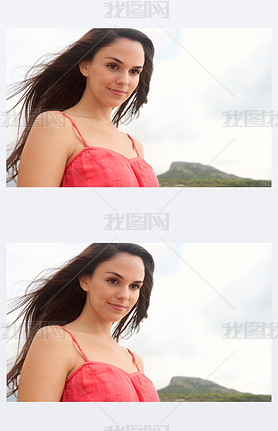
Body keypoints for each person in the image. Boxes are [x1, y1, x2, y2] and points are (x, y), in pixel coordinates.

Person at [6, 28, 159, 187]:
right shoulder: (56, 126)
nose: (124, 80)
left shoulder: (135, 145)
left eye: (134, 71)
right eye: (113, 66)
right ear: (85, 66)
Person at [7, 243, 159, 402]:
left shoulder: (135, 360)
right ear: (85, 280)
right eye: (113, 281)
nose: (125, 295)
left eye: (134, 286)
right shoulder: (56, 340)